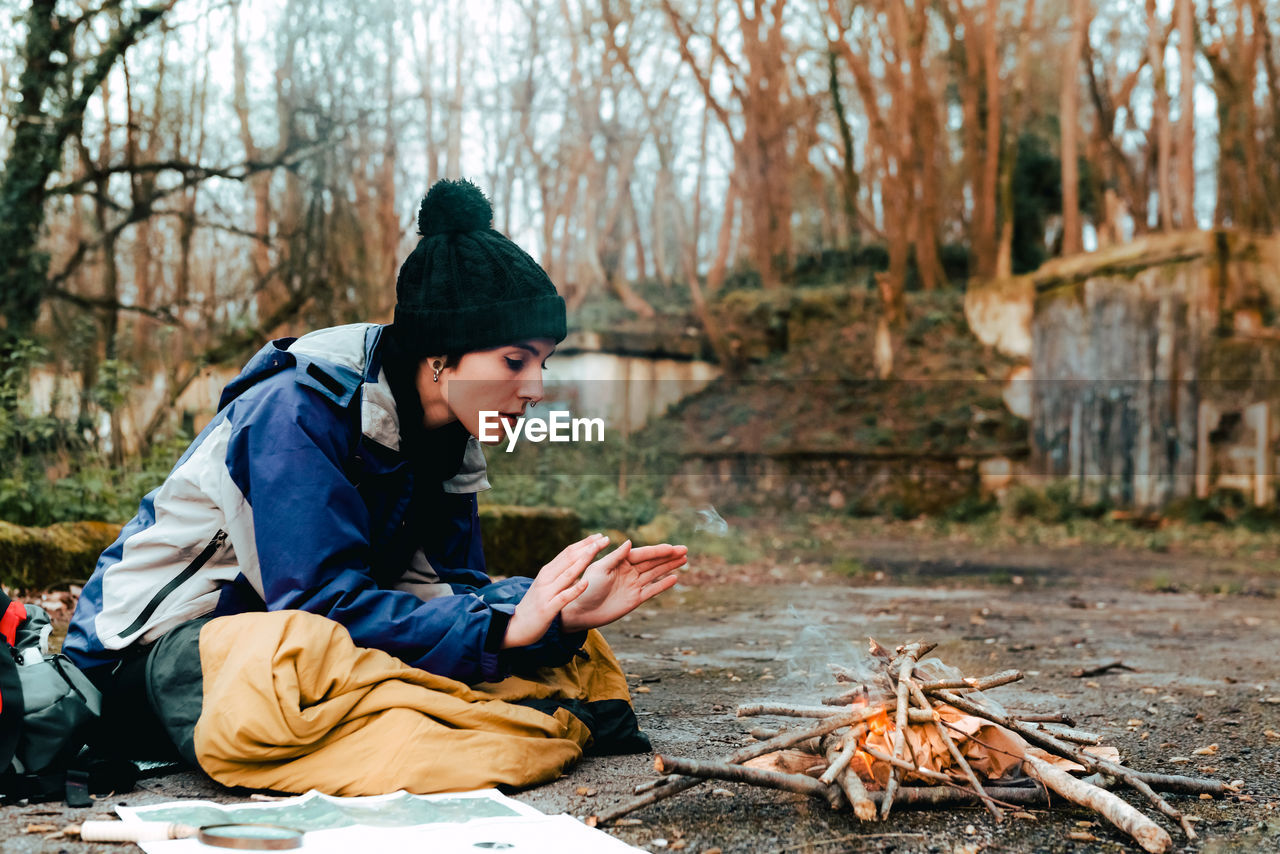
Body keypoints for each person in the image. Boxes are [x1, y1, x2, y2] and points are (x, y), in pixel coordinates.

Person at [64, 179, 686, 771]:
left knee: (559, 647)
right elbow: (320, 605)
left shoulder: (454, 436)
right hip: (155, 659)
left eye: (544, 362)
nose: (536, 388)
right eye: (515, 359)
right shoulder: (295, 410)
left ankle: (500, 701)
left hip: (307, 639)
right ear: (440, 356)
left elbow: (449, 595)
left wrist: (557, 612)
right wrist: (504, 625)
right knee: (350, 677)